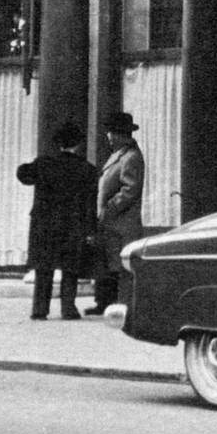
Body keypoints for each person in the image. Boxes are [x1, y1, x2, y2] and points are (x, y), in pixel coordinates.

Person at [16, 120, 97, 321]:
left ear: (57, 143)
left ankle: (39, 309)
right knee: (70, 269)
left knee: (44, 267)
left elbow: (22, 174)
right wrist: (90, 229)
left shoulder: (44, 164)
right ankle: (68, 308)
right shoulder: (86, 169)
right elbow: (90, 203)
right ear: (78, 144)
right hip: (72, 224)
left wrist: (36, 164)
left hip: (44, 224)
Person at [87, 111, 145, 315]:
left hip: (121, 222)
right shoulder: (119, 155)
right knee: (107, 263)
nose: (108, 136)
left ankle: (122, 304)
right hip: (111, 221)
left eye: (111, 132)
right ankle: (104, 303)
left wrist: (109, 207)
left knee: (119, 267)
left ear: (120, 134)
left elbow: (130, 189)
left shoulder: (131, 157)